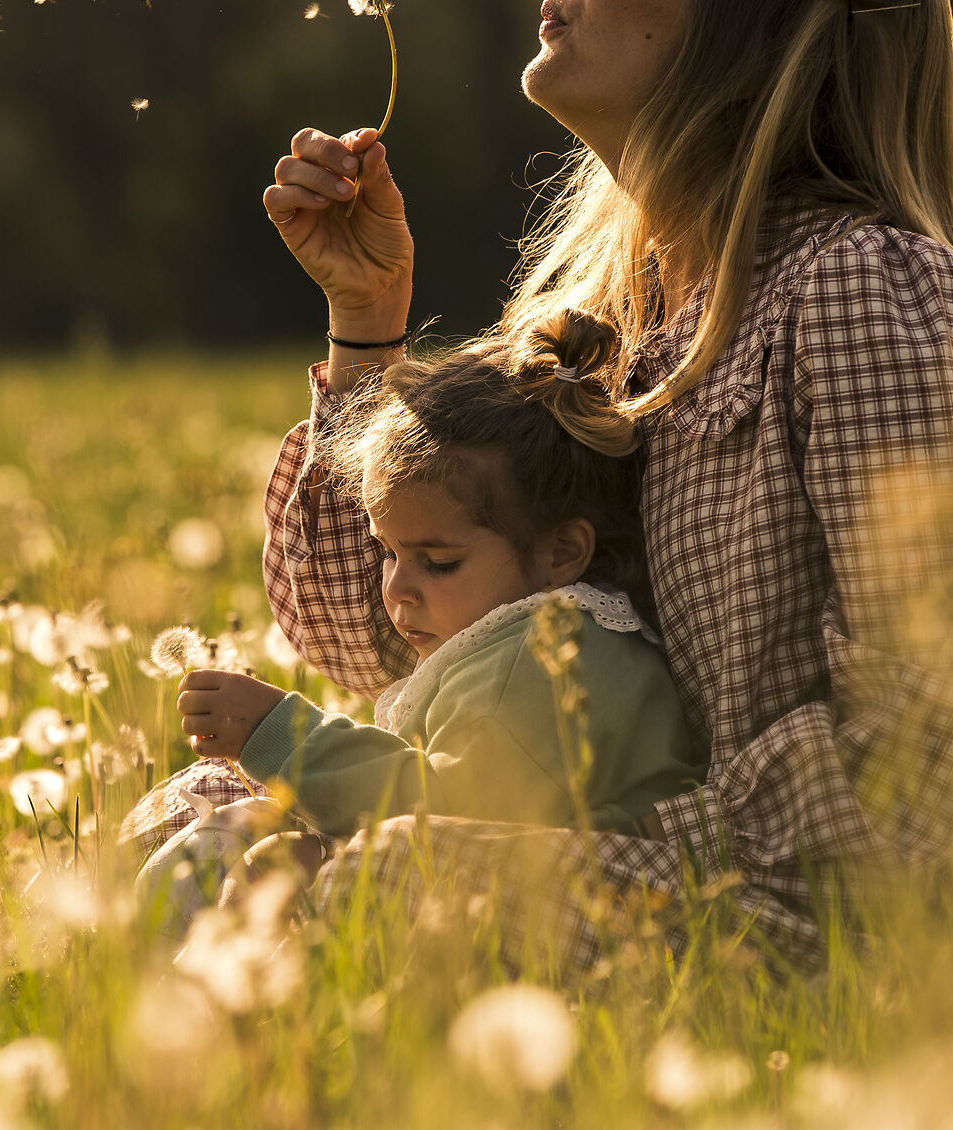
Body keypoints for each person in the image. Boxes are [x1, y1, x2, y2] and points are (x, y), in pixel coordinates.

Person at [125, 0, 953, 972]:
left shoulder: (861, 291)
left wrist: (594, 842)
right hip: (685, 873)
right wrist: (366, 321)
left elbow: (952, 753)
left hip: (881, 929)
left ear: (751, 40)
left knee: (383, 878)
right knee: (211, 808)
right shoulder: (615, 334)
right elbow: (383, 637)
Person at [170, 318, 700, 848]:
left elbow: (442, 817)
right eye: (388, 552)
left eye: (438, 562)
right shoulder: (534, 639)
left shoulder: (545, 660)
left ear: (559, 553)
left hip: (588, 906)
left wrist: (284, 736)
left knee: (230, 842)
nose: (397, 588)